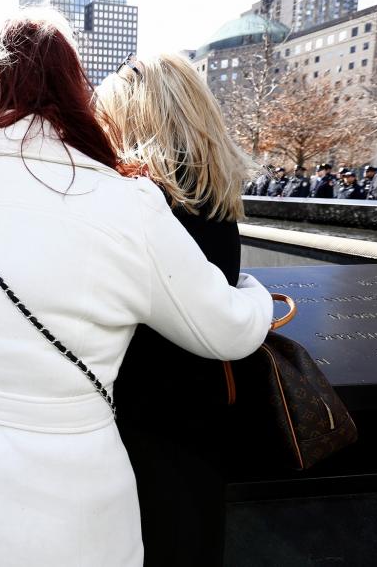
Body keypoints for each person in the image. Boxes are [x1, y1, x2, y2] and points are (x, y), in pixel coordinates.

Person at [0, 15, 273, 567]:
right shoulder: (124, 204)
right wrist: (255, 293)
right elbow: (226, 329)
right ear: (76, 92)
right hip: (61, 523)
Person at [94, 52, 266, 565]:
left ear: (132, 121)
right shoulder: (214, 198)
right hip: (202, 423)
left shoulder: (140, 205)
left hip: (138, 427)